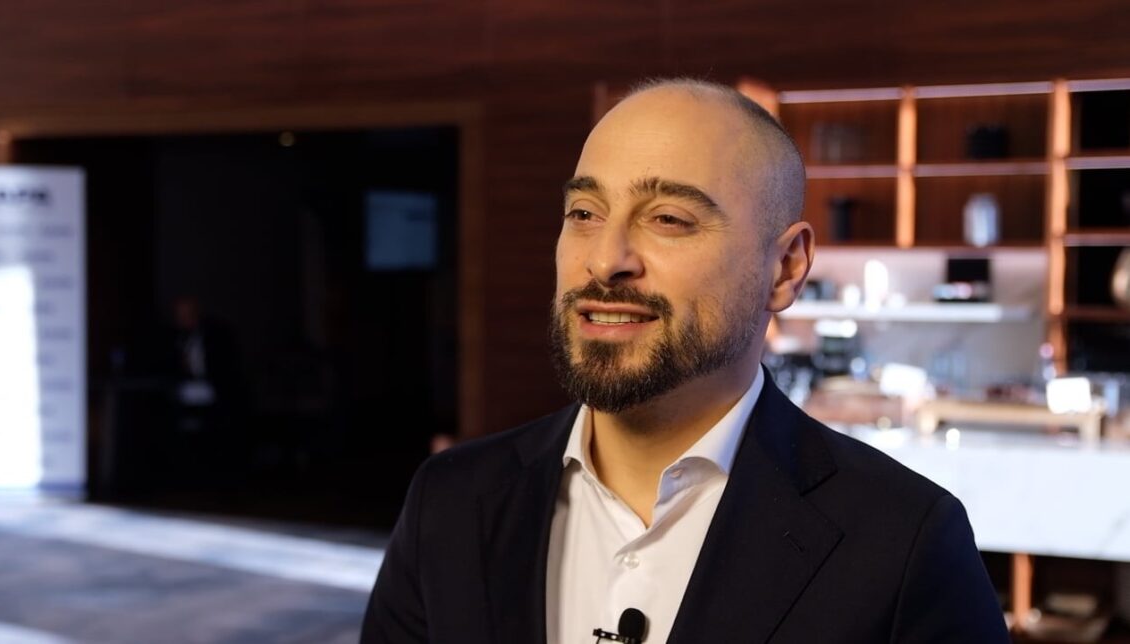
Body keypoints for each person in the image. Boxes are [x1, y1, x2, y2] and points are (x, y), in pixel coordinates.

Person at [362, 78, 1010, 643]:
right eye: (584, 212)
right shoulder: (451, 501)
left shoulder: (904, 543)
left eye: (668, 219)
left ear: (786, 268)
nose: (605, 259)